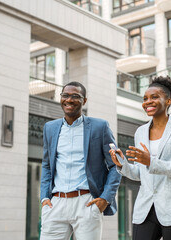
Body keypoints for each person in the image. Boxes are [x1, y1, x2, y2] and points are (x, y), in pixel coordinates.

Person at [109, 76, 171, 240]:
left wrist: (151, 162)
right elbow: (141, 173)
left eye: (154, 97)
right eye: (145, 99)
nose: (148, 102)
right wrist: (123, 165)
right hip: (145, 208)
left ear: (168, 101)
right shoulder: (140, 132)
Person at [40, 81, 121, 240]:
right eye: (65, 95)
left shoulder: (100, 127)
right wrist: (44, 198)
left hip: (86, 203)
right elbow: (47, 165)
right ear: (61, 98)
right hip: (56, 203)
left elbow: (116, 165)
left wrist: (105, 198)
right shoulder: (50, 128)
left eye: (75, 96)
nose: (69, 100)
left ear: (84, 101)